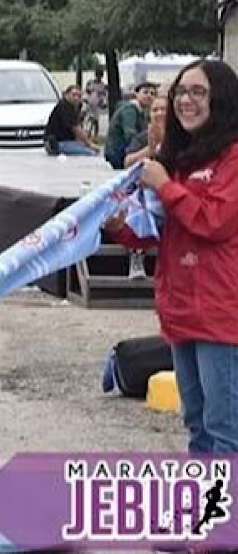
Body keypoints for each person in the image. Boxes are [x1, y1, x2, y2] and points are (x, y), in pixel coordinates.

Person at [106, 59, 238, 454]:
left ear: (222, 100)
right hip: (181, 314)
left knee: (225, 428)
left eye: (198, 93)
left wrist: (164, 185)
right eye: (181, 92)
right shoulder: (179, 159)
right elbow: (158, 228)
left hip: (222, 317)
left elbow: (213, 220)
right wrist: (117, 227)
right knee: (197, 424)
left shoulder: (232, 158)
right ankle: (208, 511)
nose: (186, 101)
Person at [104, 82, 157, 169]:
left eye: (152, 94)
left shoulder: (141, 112)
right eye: (145, 92)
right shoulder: (129, 110)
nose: (149, 96)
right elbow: (130, 135)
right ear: (136, 94)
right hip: (118, 154)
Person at [44, 85, 98, 156]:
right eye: (74, 95)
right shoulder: (64, 106)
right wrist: (90, 144)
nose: (76, 98)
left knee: (88, 149)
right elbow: (76, 129)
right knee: (90, 152)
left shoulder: (73, 107)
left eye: (79, 96)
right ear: (66, 94)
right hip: (57, 143)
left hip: (66, 141)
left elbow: (77, 129)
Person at [123, 91, 169, 168]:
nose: (159, 113)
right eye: (155, 110)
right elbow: (127, 163)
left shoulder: (181, 134)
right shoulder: (143, 137)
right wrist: (150, 150)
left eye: (163, 109)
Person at [84, 68, 108, 138]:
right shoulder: (90, 82)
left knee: (95, 120)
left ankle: (95, 135)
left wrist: (102, 102)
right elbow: (87, 91)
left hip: (96, 104)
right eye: (97, 75)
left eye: (100, 76)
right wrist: (90, 90)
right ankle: (86, 132)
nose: (99, 77)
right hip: (88, 102)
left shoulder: (102, 85)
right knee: (85, 116)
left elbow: (103, 95)